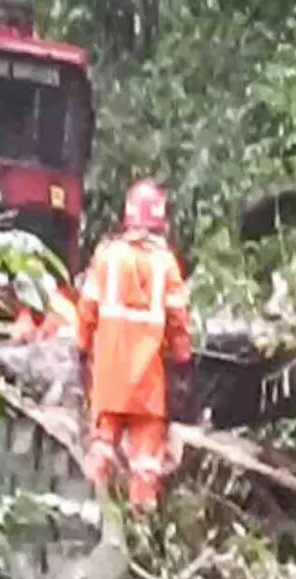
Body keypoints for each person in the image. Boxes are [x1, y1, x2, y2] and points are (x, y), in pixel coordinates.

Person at [75, 178, 193, 512]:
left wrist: (81, 347)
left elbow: (87, 310)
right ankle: (141, 519)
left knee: (102, 446)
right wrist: (183, 360)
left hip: (109, 377)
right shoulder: (165, 264)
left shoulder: (107, 257)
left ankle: (92, 513)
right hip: (147, 383)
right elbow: (178, 321)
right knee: (146, 463)